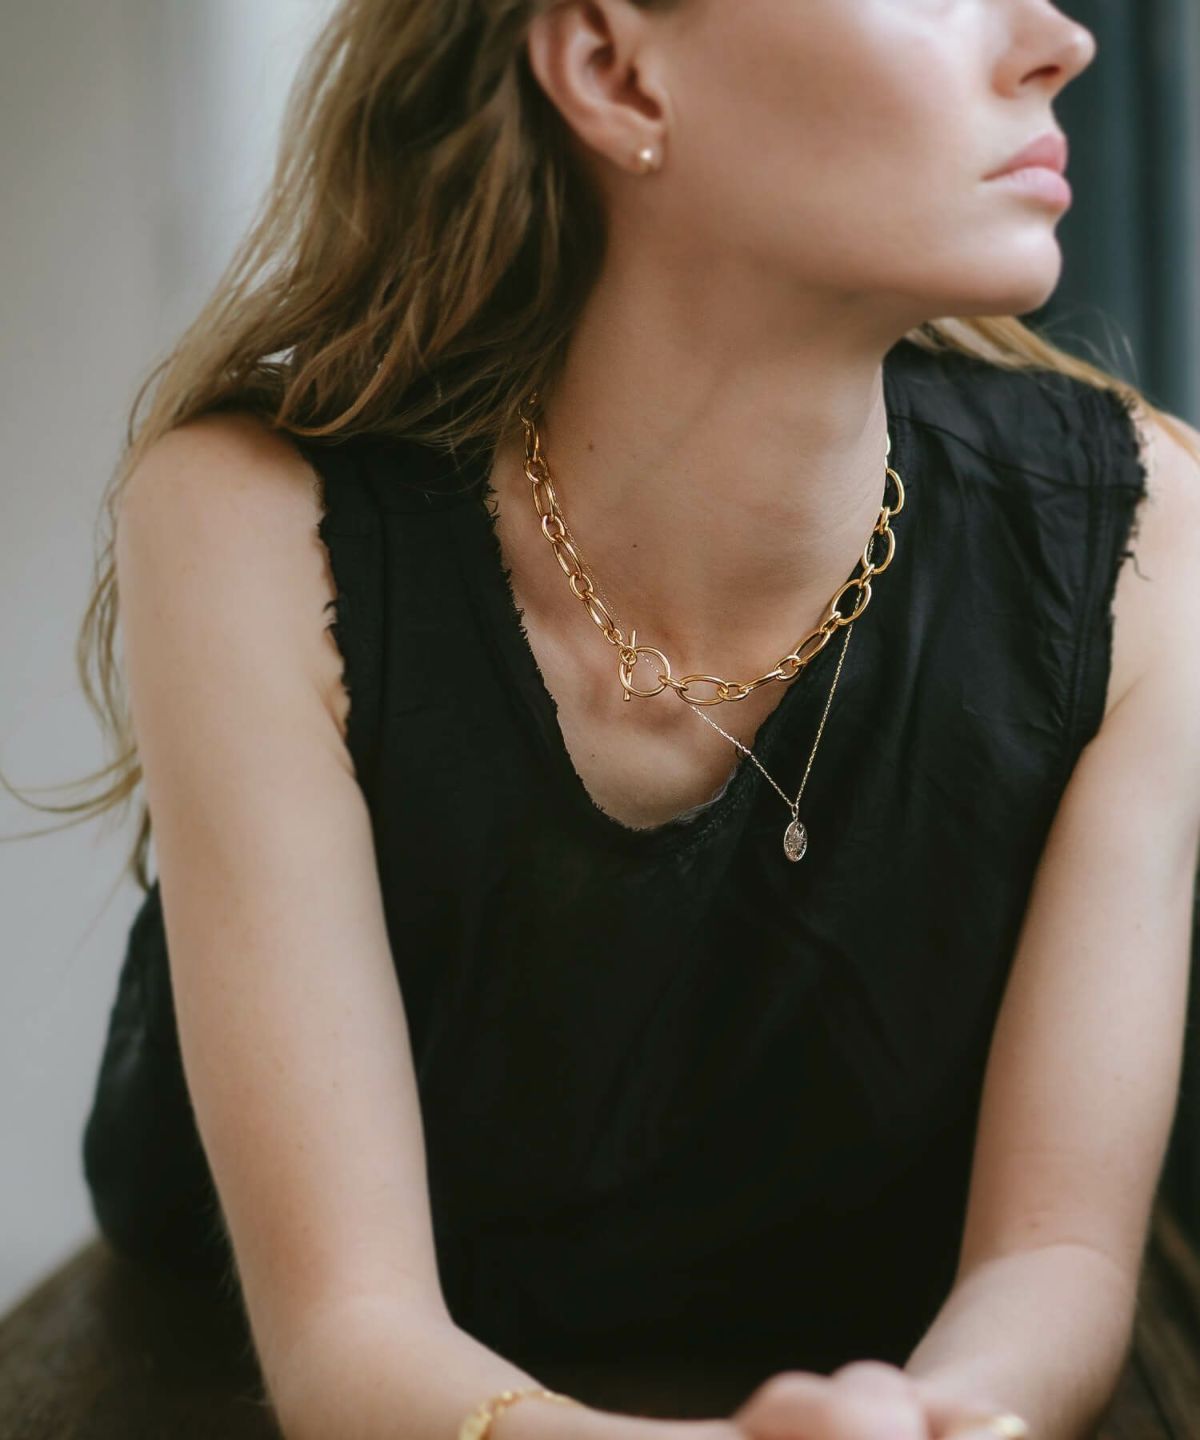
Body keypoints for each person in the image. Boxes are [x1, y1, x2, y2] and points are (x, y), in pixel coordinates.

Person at [14, 1, 1196, 1438]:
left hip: (886, 1366)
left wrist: (939, 1424)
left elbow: (1057, 1264)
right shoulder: (257, 527)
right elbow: (346, 1336)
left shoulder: (1143, 538)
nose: (1059, 38)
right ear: (615, 70)